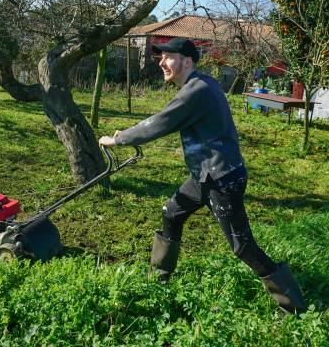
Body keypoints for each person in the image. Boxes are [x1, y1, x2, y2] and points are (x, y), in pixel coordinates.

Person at [98, 37, 306, 314]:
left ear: (187, 61)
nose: (161, 62)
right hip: (204, 176)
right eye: (160, 57)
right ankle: (159, 277)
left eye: (168, 57)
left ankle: (294, 307)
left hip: (221, 179)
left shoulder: (197, 90)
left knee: (242, 246)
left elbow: (161, 122)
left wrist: (120, 139)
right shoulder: (201, 84)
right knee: (171, 213)